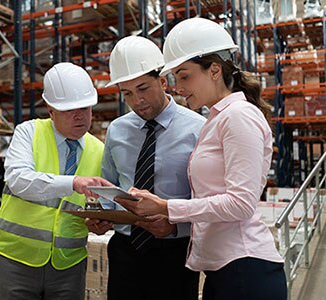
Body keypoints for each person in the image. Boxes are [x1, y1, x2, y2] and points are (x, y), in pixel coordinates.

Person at [115, 18, 287, 300]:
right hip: (224, 270)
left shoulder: (239, 116)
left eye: (184, 76)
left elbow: (241, 203)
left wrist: (167, 207)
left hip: (245, 269)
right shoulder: (218, 118)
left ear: (215, 70)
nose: (179, 88)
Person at [87, 36, 205, 300]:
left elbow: (208, 201)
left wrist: (176, 227)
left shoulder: (198, 129)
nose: (137, 100)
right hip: (124, 250)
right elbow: (109, 188)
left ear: (163, 82)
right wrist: (100, 217)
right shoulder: (117, 130)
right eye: (127, 93)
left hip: (175, 251)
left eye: (143, 88)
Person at [0, 62, 112, 300]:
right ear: (50, 110)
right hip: (16, 259)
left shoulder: (100, 149)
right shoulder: (29, 133)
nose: (79, 116)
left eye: (85, 109)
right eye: (69, 110)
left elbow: (96, 203)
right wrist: (73, 182)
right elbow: (18, 179)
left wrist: (99, 220)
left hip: (69, 264)